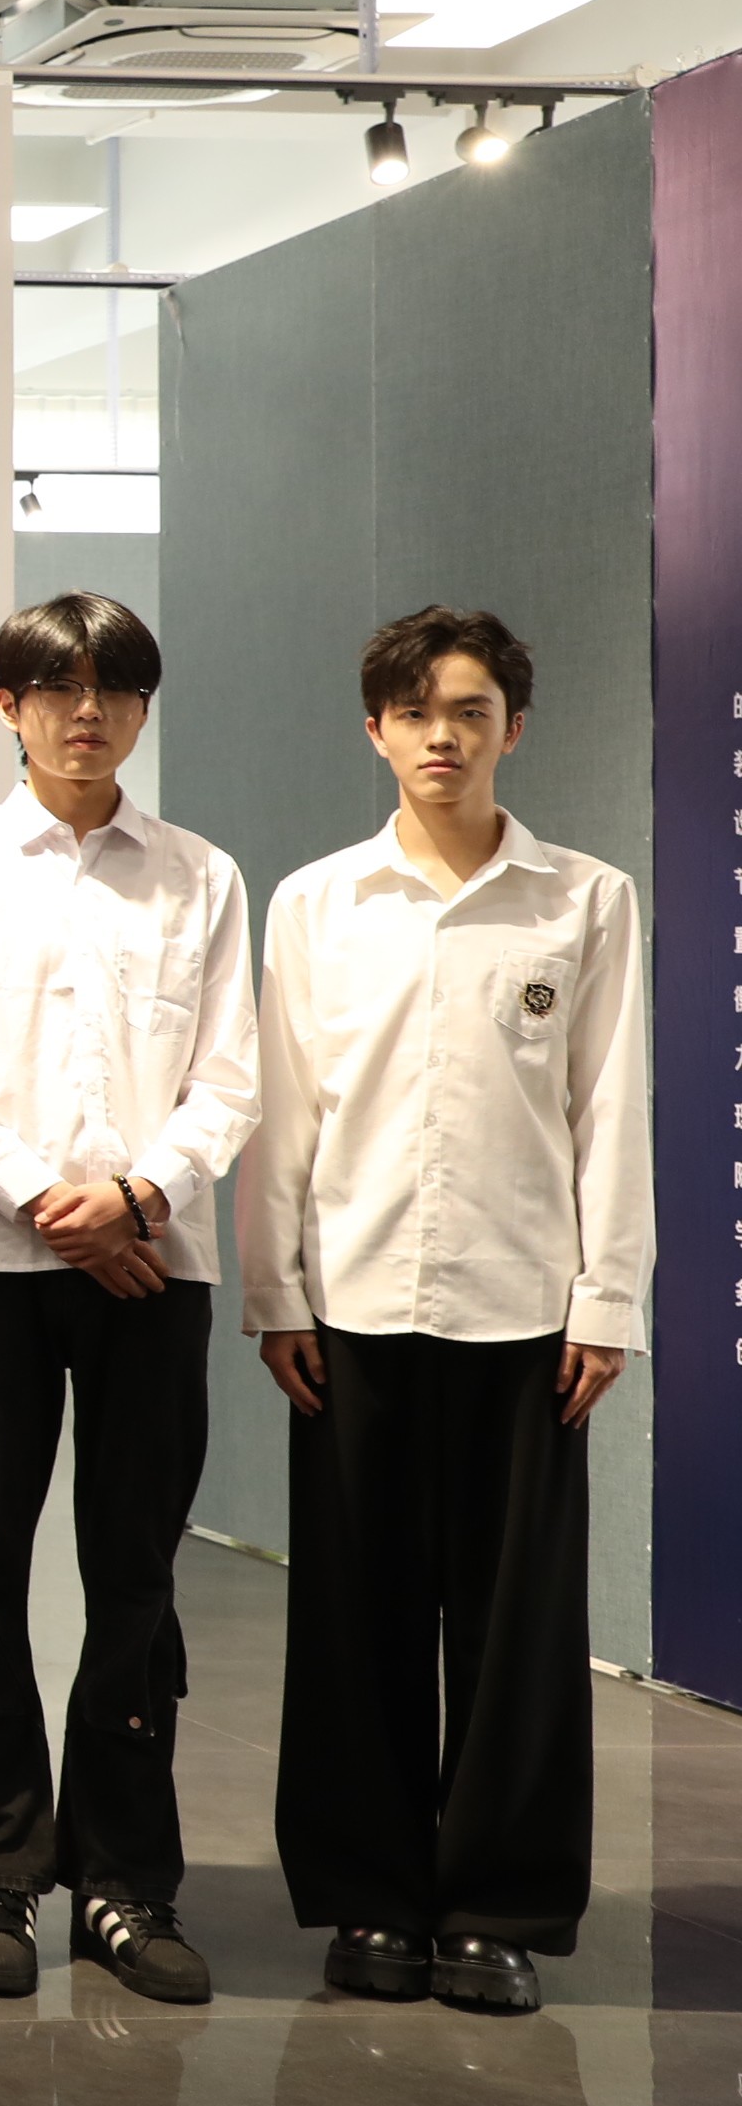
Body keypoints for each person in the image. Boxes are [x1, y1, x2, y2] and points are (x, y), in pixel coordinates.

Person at [241, 606, 649, 2017]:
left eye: (470, 712)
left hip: (526, 1312)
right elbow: (281, 1115)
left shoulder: (584, 899)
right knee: (351, 1622)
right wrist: (275, 1292)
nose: (442, 737)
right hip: (351, 1305)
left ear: (511, 730)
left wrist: (608, 1298)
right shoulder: (317, 904)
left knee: (516, 1632)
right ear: (376, 731)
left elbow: (610, 1108)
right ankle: (367, 1896)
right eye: (415, 713)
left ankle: (496, 1908)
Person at [0, 594, 255, 2008]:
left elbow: (231, 1077)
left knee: (136, 1573)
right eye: (56, 688)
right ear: (10, 706)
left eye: (114, 690)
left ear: (143, 710)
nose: (85, 713)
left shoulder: (201, 876)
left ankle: (124, 1882)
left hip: (156, 1266)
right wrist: (57, 1203)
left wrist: (138, 1198)